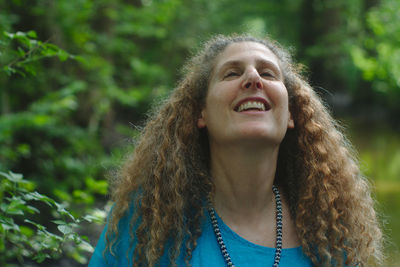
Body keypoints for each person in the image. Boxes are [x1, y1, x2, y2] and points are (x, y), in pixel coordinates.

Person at [89, 35, 383, 267]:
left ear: (292, 114)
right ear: (200, 113)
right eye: (231, 73)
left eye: (268, 73)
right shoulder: (147, 221)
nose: (253, 78)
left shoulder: (328, 229)